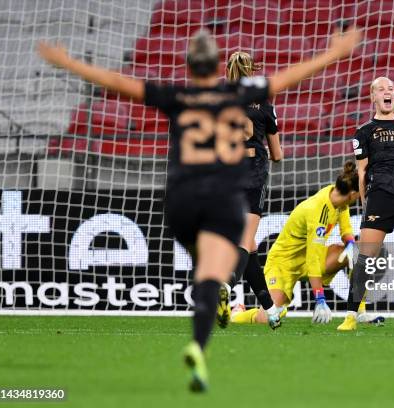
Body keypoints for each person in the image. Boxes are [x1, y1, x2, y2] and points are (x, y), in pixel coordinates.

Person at [38, 27, 361, 392]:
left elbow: (118, 82)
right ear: (217, 65)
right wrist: (334, 54)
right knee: (221, 264)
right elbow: (289, 78)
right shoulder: (239, 94)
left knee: (226, 255)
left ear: (190, 66)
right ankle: (207, 325)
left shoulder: (177, 94)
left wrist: (66, 62)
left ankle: (243, 312)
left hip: (180, 197)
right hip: (225, 192)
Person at [231, 161, 382, 325]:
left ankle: (359, 311)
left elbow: (345, 231)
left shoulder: (338, 200)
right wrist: (320, 299)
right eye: (360, 192)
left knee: (359, 252)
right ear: (353, 194)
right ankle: (237, 313)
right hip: (283, 264)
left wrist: (351, 244)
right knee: (266, 318)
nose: (361, 195)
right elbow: (313, 260)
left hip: (309, 258)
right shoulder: (317, 212)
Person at [337, 76, 394, 332]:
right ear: (373, 97)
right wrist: (366, 202)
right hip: (381, 196)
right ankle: (350, 315)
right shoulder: (364, 132)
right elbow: (362, 171)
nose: (387, 91)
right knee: (366, 257)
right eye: (381, 89)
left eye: (391, 88)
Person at [216, 51, 284, 330]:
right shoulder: (264, 105)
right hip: (253, 167)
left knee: (251, 247)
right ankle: (225, 285)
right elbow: (277, 154)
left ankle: (271, 310)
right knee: (246, 239)